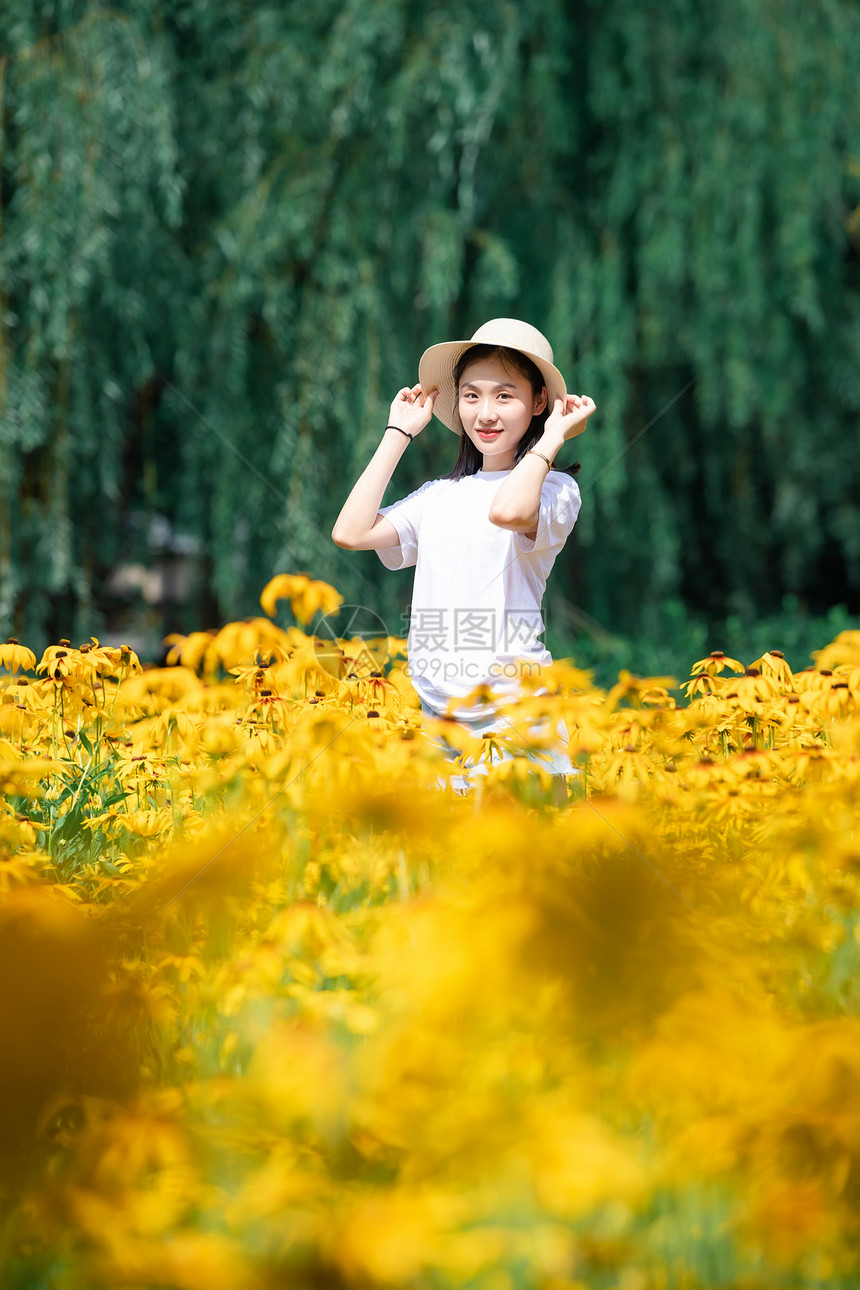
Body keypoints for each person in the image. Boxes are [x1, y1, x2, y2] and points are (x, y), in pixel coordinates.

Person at [331, 318, 596, 797]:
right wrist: (398, 432)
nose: (485, 412)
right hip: (438, 726)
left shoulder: (556, 490)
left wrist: (553, 438)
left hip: (516, 725)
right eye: (471, 396)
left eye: (504, 395)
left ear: (538, 402)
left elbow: (508, 511)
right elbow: (349, 532)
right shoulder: (439, 496)